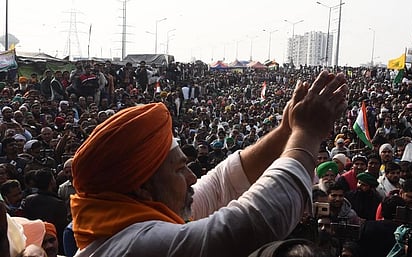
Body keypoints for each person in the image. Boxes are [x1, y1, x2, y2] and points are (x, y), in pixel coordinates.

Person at [70, 71, 348, 256]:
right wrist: (307, 133)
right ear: (143, 188)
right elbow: (254, 221)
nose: (192, 177)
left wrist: (286, 130)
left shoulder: (137, 218)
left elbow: (223, 182)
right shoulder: (135, 244)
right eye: (179, 169)